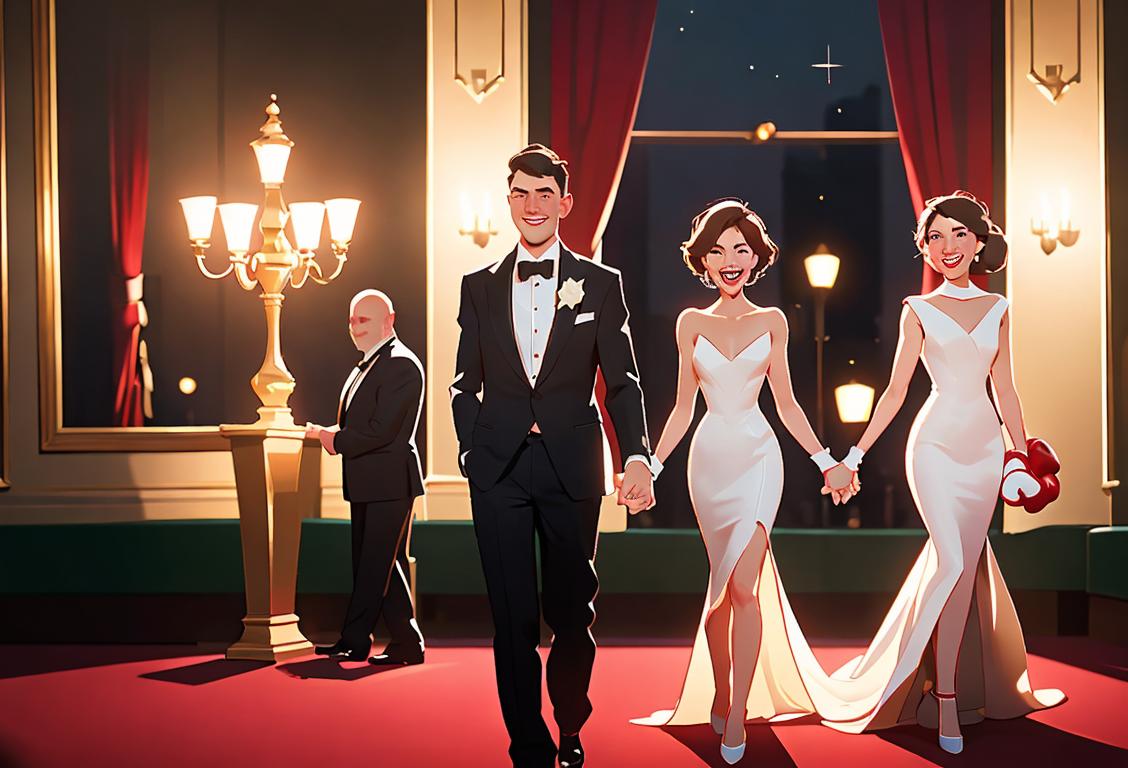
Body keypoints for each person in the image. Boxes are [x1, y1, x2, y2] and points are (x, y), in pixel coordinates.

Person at [815, 191, 1065, 752]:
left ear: (978, 241)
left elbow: (1005, 388)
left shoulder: (999, 308)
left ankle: (945, 690)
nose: (946, 247)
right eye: (934, 237)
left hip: (982, 451)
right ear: (924, 247)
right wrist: (853, 456)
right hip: (931, 447)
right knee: (951, 559)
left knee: (959, 569)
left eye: (957, 234)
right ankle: (944, 700)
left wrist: (1021, 456)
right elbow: (897, 390)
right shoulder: (917, 309)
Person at [449, 144, 654, 768]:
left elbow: (622, 383)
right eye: (520, 193)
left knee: (571, 610)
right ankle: (528, 746)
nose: (532, 205)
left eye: (544, 194)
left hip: (573, 467)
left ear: (564, 203)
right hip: (498, 469)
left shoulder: (601, 283)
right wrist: (468, 447)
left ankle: (569, 722)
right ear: (507, 201)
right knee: (509, 617)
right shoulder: (478, 287)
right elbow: (464, 383)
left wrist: (637, 456)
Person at [630, 199, 854, 764]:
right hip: (707, 462)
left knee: (746, 587)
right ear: (702, 260)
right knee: (719, 601)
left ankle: (736, 716)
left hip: (760, 457)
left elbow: (788, 403)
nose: (730, 260)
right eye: (718, 250)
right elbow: (682, 408)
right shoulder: (690, 323)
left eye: (741, 250)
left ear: (756, 259)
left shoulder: (773, 321)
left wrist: (826, 459)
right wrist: (651, 465)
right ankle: (724, 689)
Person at [305, 289, 426, 665]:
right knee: (381, 564)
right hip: (371, 480)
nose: (355, 327)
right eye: (352, 320)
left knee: (375, 566)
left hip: (389, 482)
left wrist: (333, 439)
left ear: (389, 321)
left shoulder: (401, 364)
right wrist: (334, 431)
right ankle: (407, 642)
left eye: (365, 320)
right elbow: (365, 423)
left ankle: (354, 640)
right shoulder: (373, 363)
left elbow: (381, 432)